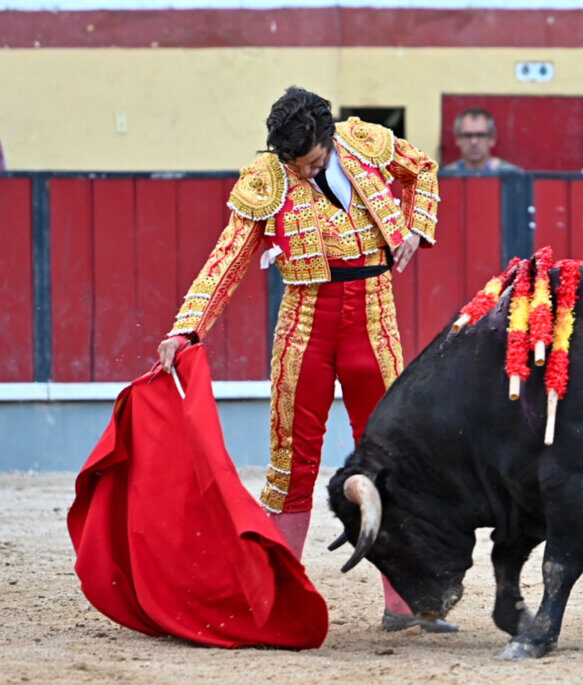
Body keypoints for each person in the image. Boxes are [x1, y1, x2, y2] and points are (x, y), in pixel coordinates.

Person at [155, 86, 456, 634]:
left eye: (314, 163)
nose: (306, 173)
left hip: (374, 316)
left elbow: (423, 170)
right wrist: (186, 328)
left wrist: (415, 227)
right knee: (291, 461)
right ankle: (277, 601)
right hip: (305, 323)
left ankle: (404, 603)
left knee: (391, 457)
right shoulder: (268, 177)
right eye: (296, 165)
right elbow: (228, 257)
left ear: (329, 138)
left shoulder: (364, 141)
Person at [442, 107, 521, 173]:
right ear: (458, 139)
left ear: (492, 139)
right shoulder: (445, 178)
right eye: (468, 135)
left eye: (480, 135)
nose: (474, 142)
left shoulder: (513, 177)